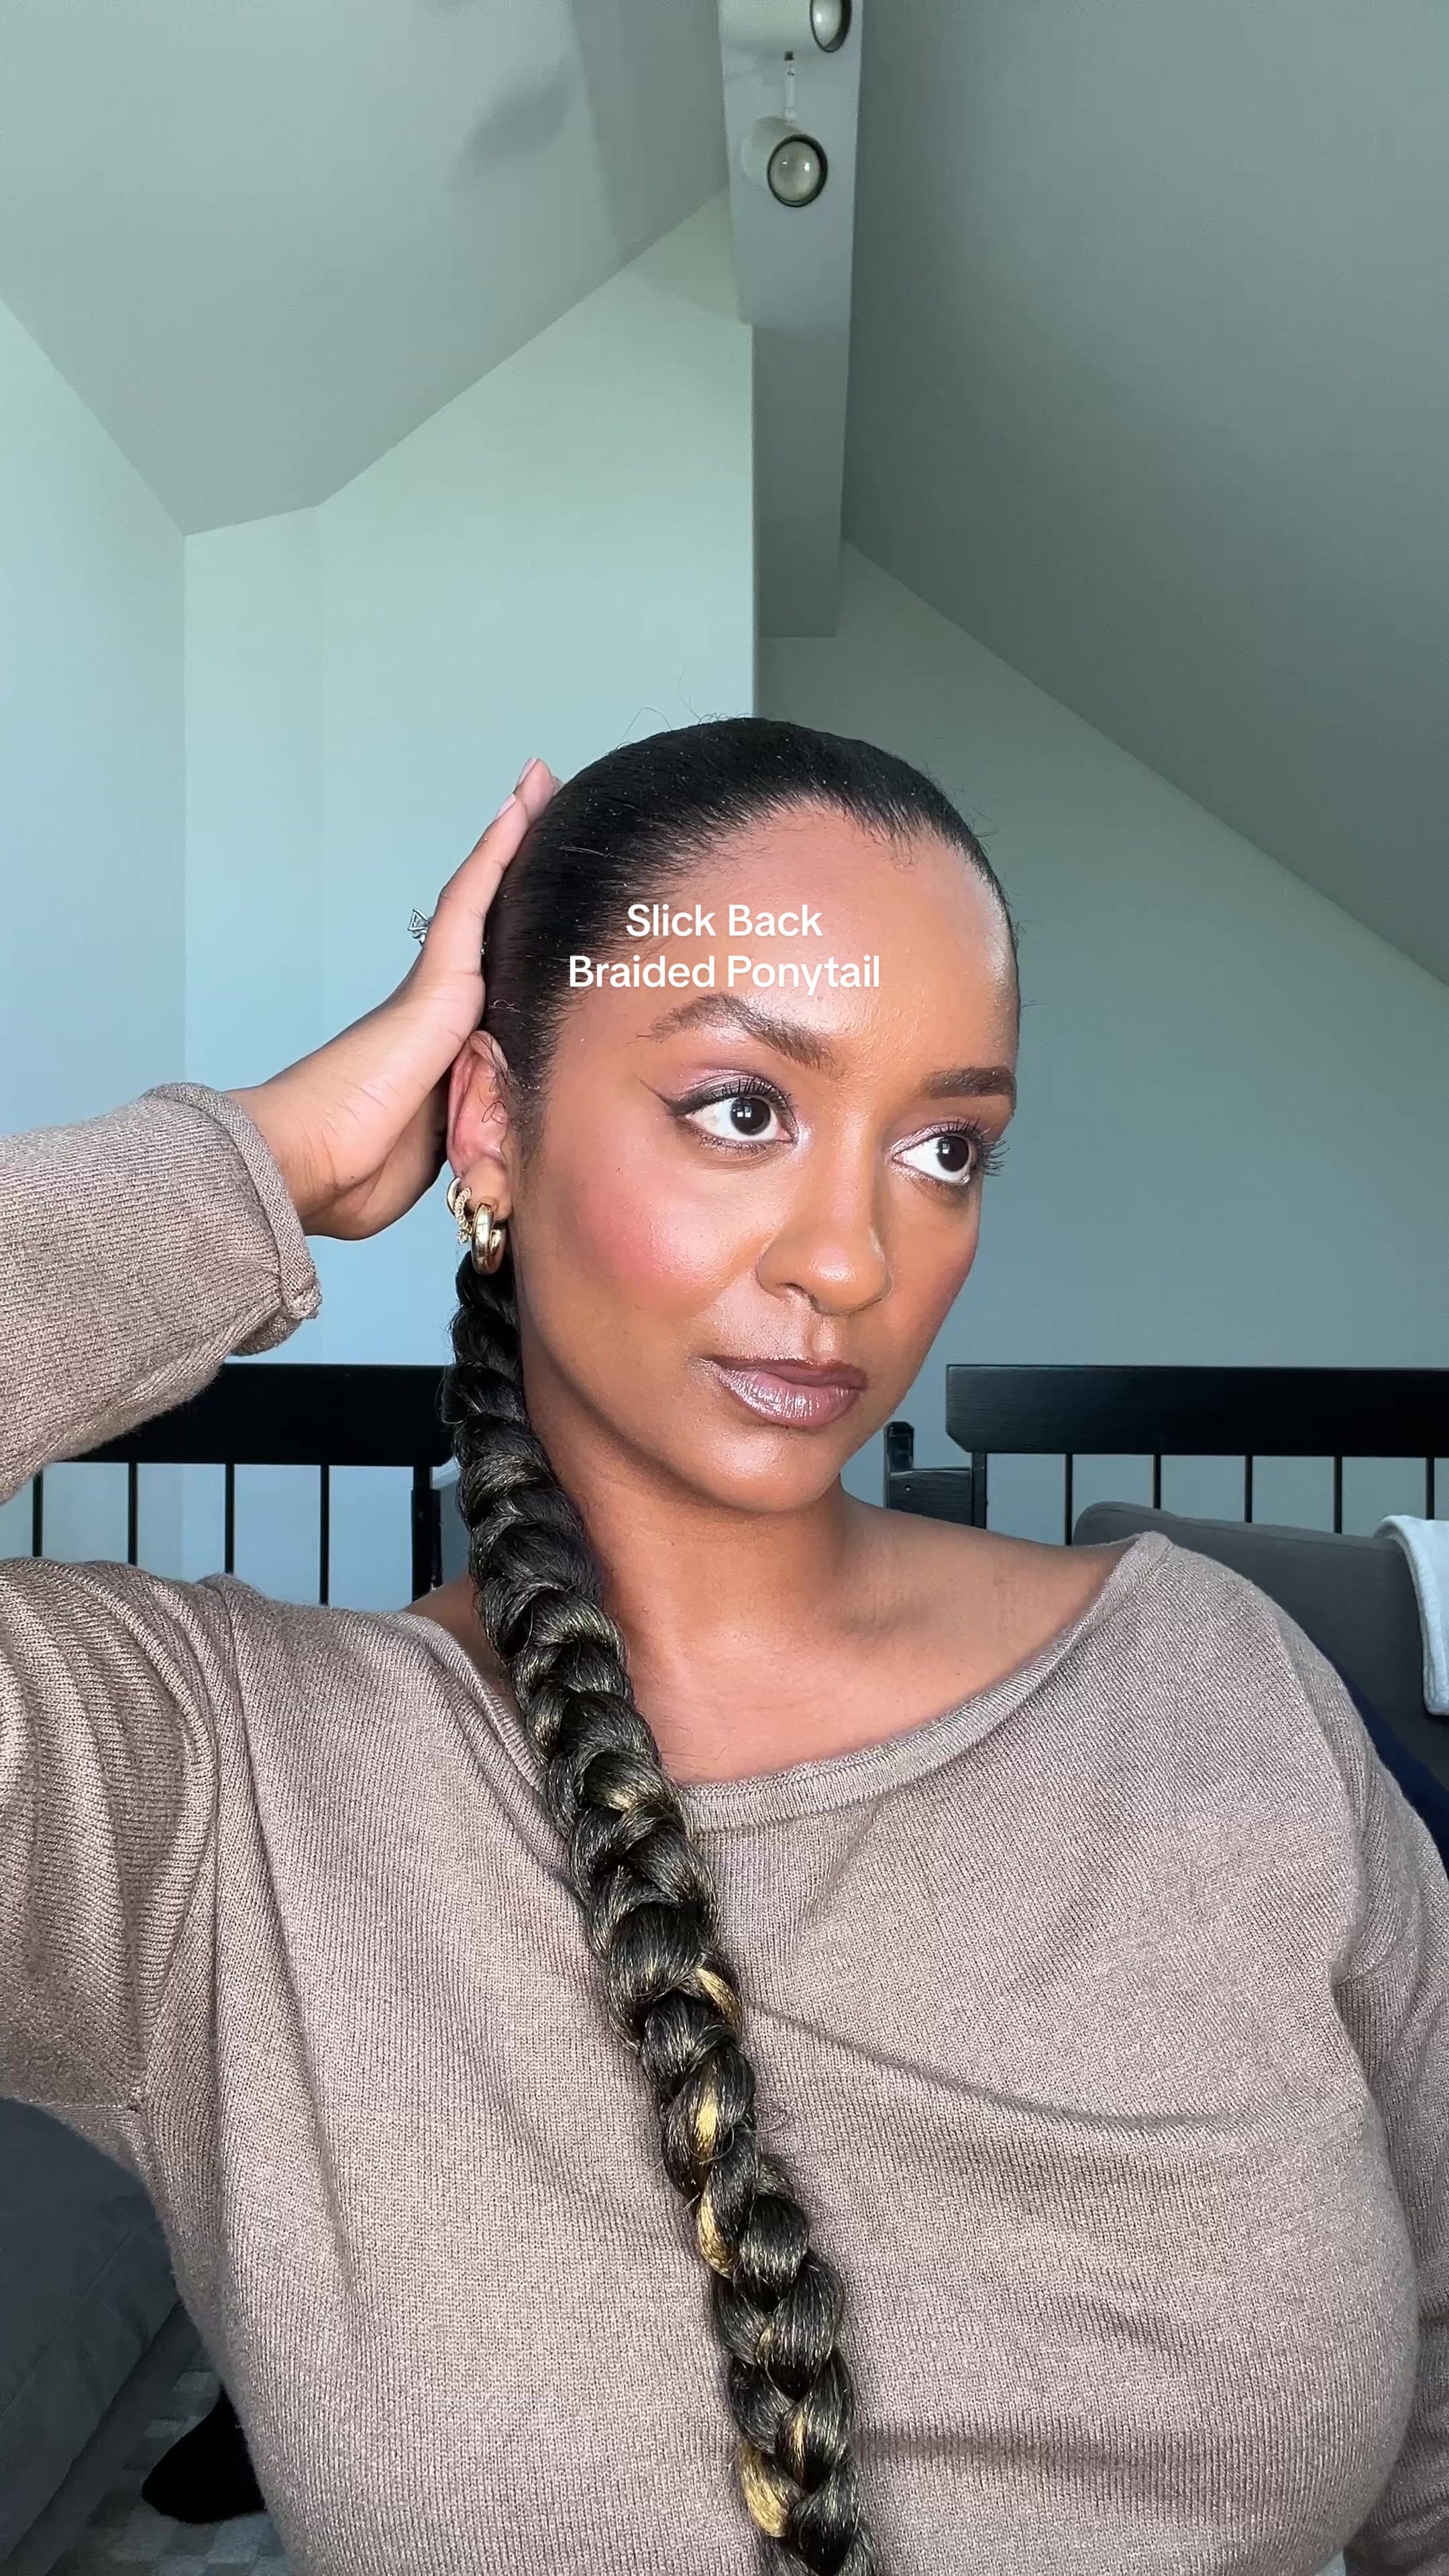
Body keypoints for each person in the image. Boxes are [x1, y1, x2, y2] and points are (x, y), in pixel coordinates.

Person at [1, 716, 1445, 2576]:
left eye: (946, 1147)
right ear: (491, 1123)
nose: (853, 1259)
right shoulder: (211, 1809)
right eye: (745, 1108)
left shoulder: (1216, 1696)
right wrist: (271, 1158)